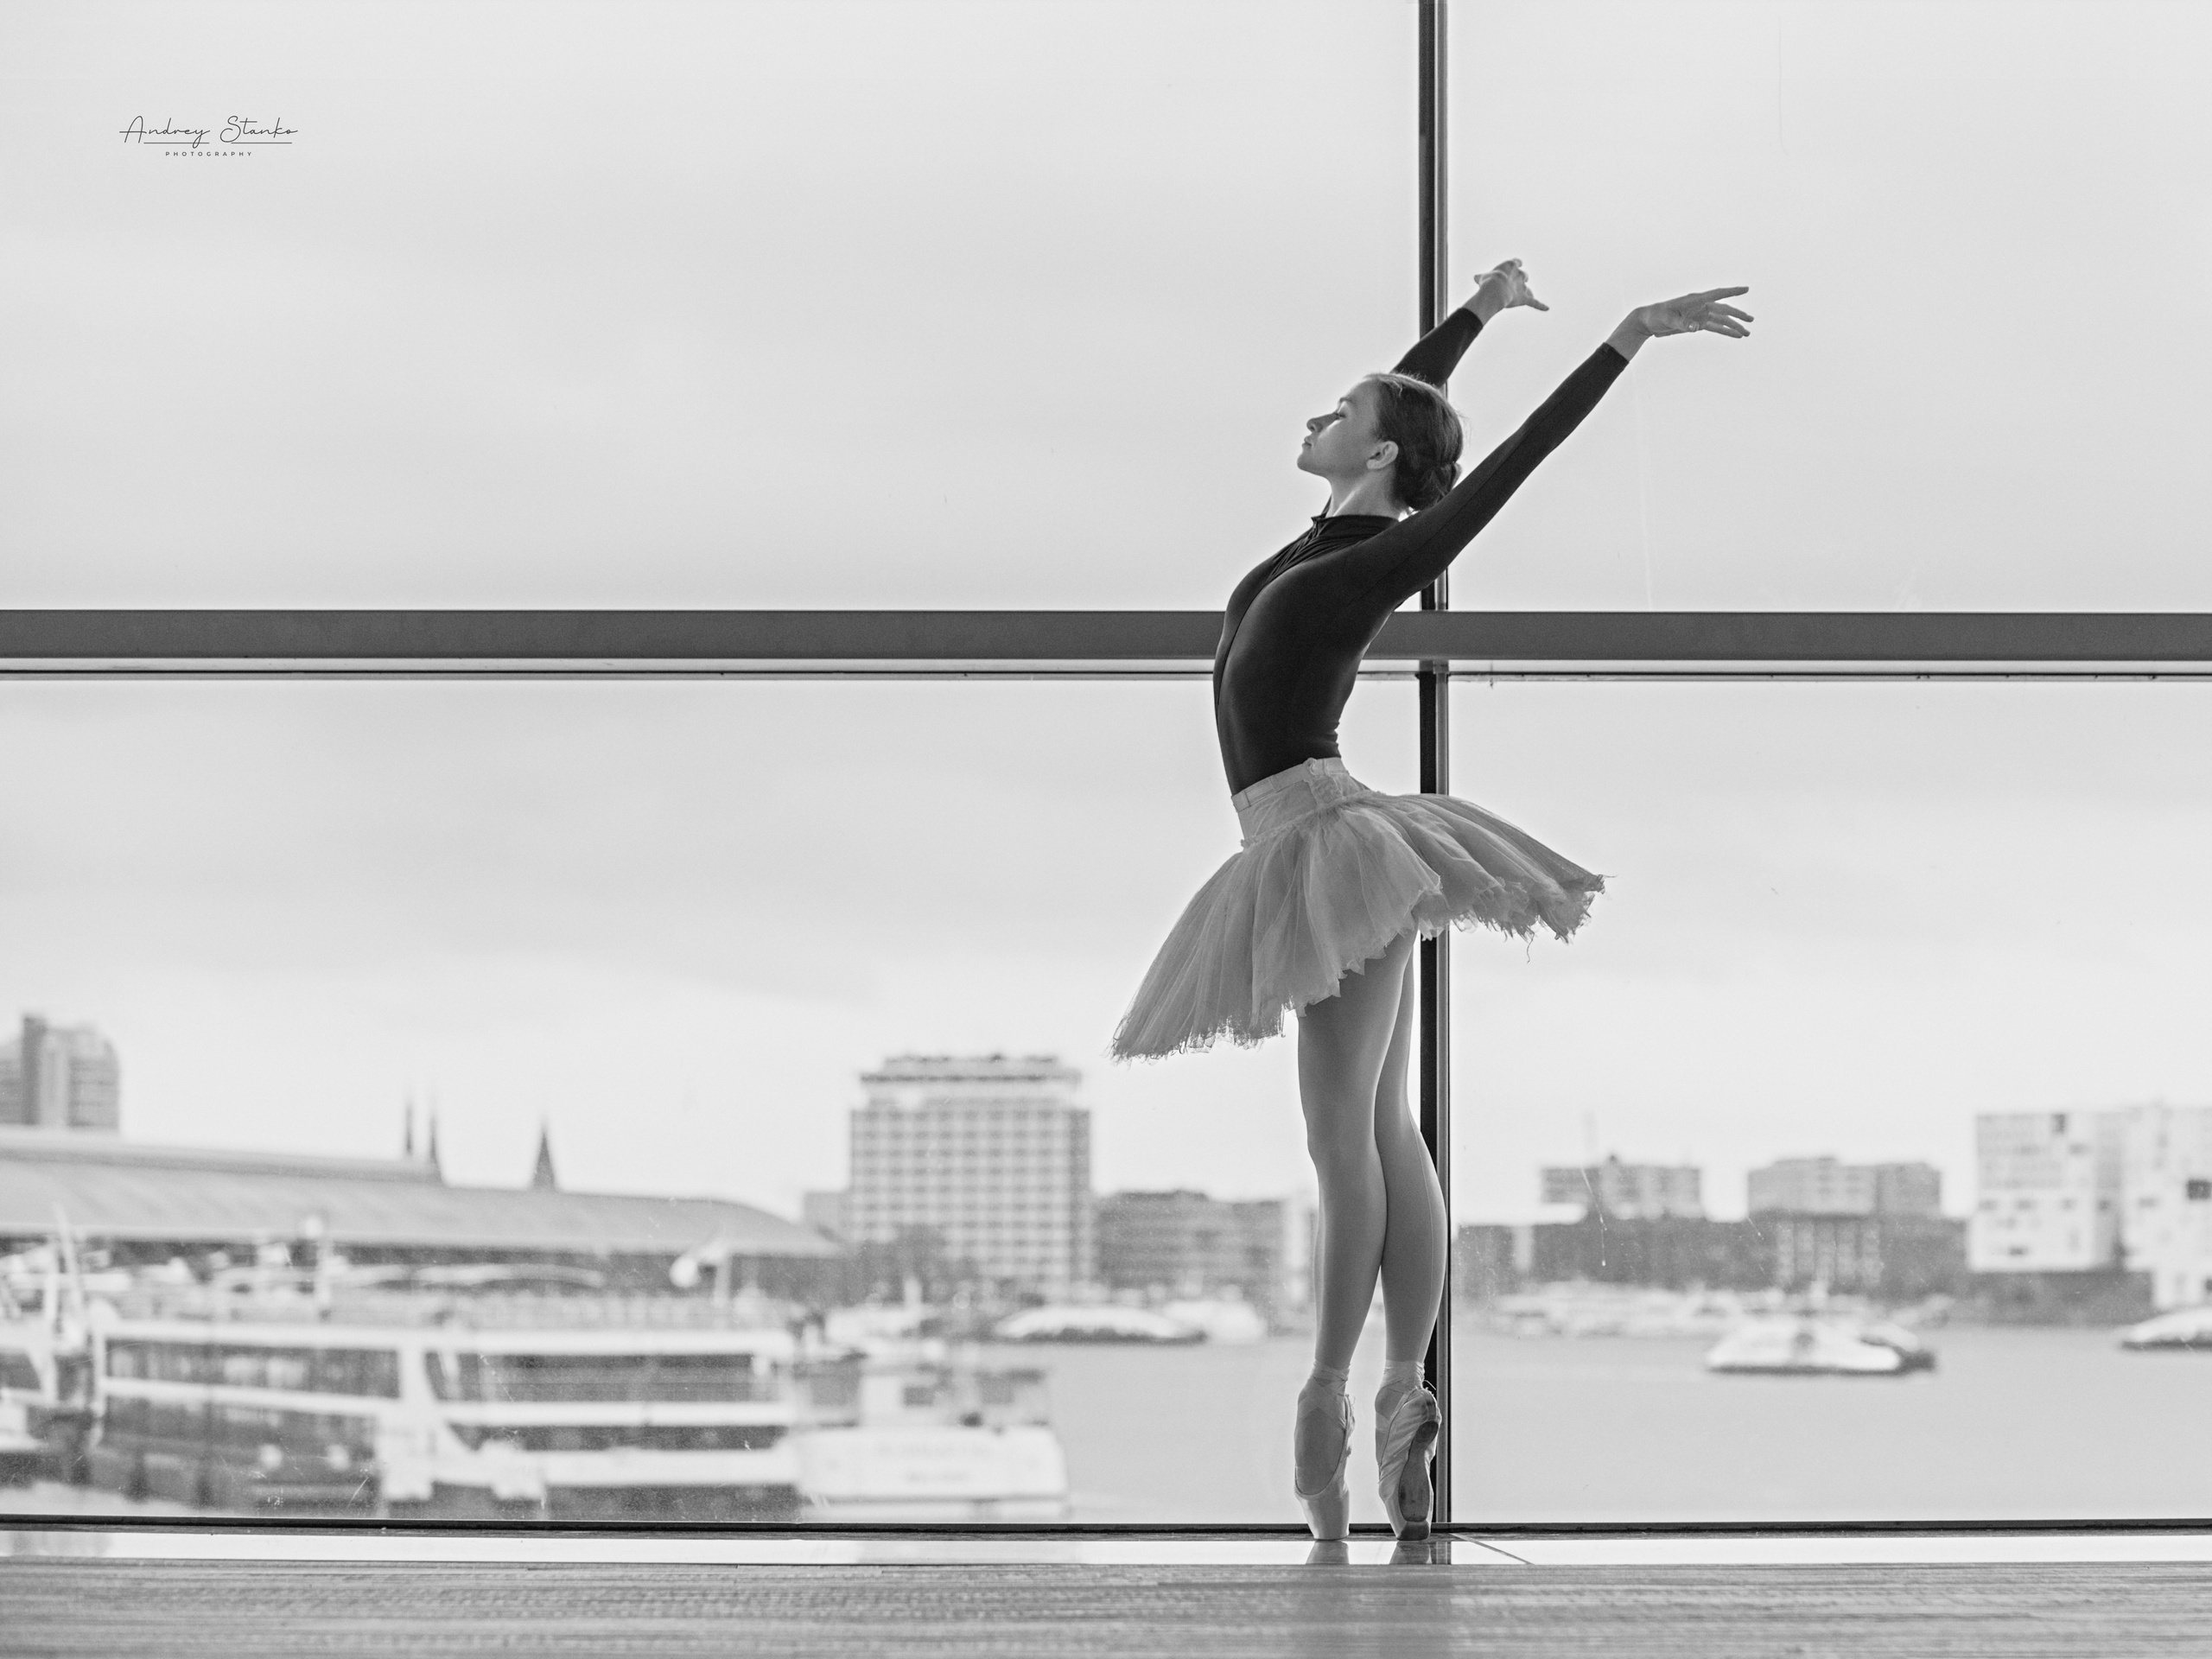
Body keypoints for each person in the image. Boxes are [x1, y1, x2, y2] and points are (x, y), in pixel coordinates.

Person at [1109, 258, 1751, 1541]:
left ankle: (1334, 1393)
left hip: (1322, 840)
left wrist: (1625, 337)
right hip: (1305, 837)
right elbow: (1415, 407)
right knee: (1380, 1126)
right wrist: (1476, 313)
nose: (1310, 420)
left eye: (1333, 412)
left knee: (1343, 1135)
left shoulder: (1373, 559)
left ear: (1383, 454)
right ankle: (1399, 1391)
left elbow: (1499, 464)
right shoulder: (1326, 534)